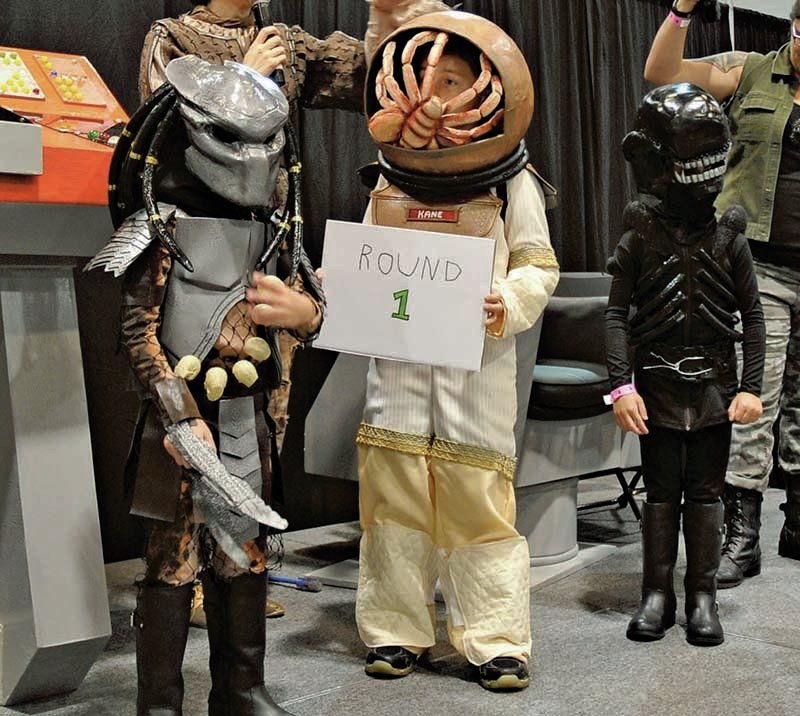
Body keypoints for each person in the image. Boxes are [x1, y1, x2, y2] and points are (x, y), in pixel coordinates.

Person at [354, 10, 559, 690]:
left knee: (478, 499)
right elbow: (368, 264)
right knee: (393, 495)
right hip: (401, 365)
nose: (436, 92)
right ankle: (394, 629)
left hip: (478, 364)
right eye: (428, 76)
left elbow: (538, 263)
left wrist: (512, 299)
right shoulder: (387, 180)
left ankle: (497, 638)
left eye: (454, 79)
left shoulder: (511, 179)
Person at [643, 0, 800, 589]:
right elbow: (662, 73)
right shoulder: (751, 69)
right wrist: (682, 11)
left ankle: (797, 522)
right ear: (794, 26)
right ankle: (743, 530)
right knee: (757, 395)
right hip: (761, 266)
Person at [606, 82, 765, 646]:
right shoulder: (639, 238)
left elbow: (753, 316)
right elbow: (616, 316)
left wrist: (751, 386)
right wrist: (621, 386)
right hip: (655, 392)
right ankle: (656, 593)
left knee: (705, 493)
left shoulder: (730, 239)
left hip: (716, 394)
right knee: (660, 493)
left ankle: (702, 595)